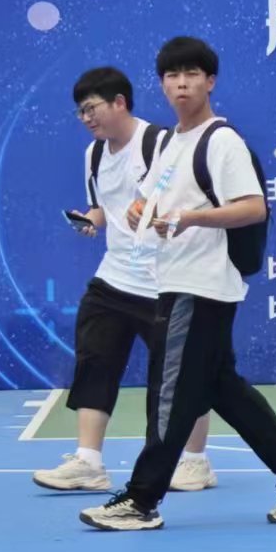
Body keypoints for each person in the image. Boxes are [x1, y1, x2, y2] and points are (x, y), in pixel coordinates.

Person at [78, 37, 276, 532]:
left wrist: (190, 218)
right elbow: (153, 203)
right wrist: (140, 211)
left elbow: (253, 207)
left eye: (192, 74)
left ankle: (141, 499)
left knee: (168, 394)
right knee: (223, 389)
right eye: (172, 76)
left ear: (210, 81)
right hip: (177, 280)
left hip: (200, 284)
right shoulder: (173, 143)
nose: (181, 84)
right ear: (161, 84)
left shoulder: (221, 141)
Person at [32, 66, 215, 496]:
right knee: (94, 361)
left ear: (119, 103)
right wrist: (90, 221)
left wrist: (155, 211)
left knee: (182, 377)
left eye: (91, 108)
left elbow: (191, 200)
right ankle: (89, 463)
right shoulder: (93, 155)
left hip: (167, 282)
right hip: (113, 278)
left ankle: (195, 461)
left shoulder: (160, 143)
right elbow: (103, 207)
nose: (86, 118)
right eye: (80, 112)